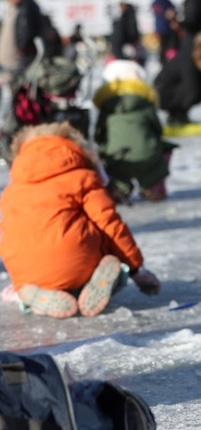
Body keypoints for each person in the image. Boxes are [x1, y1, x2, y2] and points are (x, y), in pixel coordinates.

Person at [0, 122, 161, 319]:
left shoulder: (12, 191)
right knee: (111, 263)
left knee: (28, 242)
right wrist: (136, 270)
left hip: (28, 274)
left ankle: (33, 297)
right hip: (78, 264)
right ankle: (98, 282)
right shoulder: (82, 178)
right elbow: (110, 225)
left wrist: (18, 281)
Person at [93, 59, 176, 203]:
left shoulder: (106, 106)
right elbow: (157, 130)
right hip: (147, 157)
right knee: (163, 148)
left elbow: (99, 135)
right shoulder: (144, 102)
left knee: (110, 159)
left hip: (117, 158)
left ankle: (118, 189)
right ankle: (153, 187)